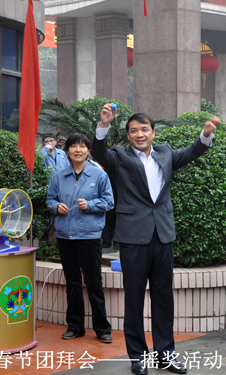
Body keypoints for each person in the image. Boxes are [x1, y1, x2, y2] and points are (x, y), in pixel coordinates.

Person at [91, 104, 220, 375]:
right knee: (134, 299)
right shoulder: (120, 156)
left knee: (163, 299)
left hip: (162, 235)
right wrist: (103, 125)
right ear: (128, 135)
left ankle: (165, 355)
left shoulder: (165, 153)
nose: (139, 134)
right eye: (133, 131)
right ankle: (138, 356)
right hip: (133, 238)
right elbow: (100, 153)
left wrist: (206, 134)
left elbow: (191, 152)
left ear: (153, 132)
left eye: (144, 129)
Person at [46, 133, 114, 344]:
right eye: (74, 146)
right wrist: (56, 207)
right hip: (65, 236)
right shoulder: (59, 176)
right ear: (67, 151)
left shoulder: (99, 175)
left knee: (94, 282)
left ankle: (102, 328)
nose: (78, 150)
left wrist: (90, 205)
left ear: (88, 151)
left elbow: (109, 201)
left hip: (89, 235)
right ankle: (75, 326)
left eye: (82, 146)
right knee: (73, 282)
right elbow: (50, 200)